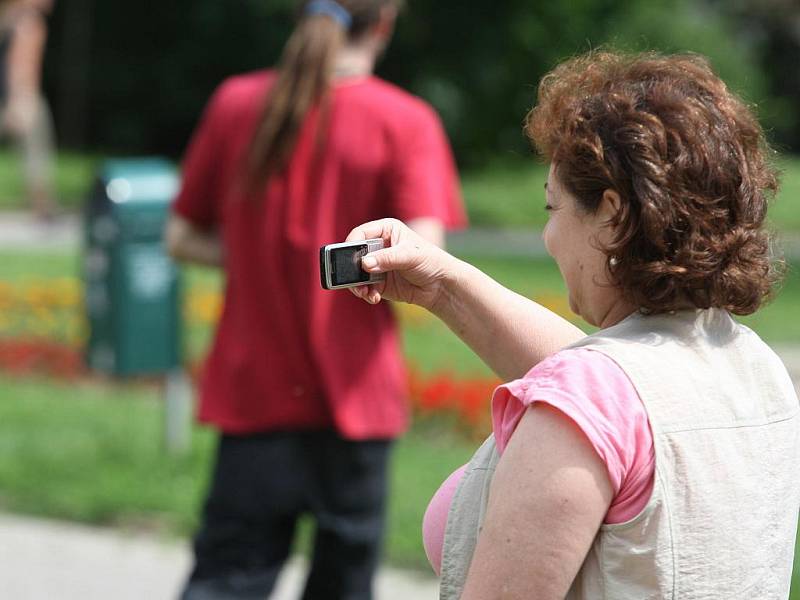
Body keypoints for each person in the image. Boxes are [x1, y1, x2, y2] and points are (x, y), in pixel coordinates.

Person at [346, 50, 800, 599]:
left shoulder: (593, 401)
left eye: (551, 209)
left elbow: (598, 392)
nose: (548, 237)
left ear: (611, 215)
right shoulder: (752, 366)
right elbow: (620, 384)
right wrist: (443, 286)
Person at [165, 0, 466, 598]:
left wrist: (257, 255)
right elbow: (425, 254)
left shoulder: (236, 103)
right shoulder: (405, 120)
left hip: (253, 393)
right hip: (354, 401)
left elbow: (181, 237)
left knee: (227, 579)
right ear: (384, 24)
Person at [0, 0, 57, 220]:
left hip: (10, 94)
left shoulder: (10, 16)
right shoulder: (29, 22)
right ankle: (42, 207)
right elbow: (23, 63)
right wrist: (21, 99)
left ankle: (42, 205)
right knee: (37, 145)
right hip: (18, 97)